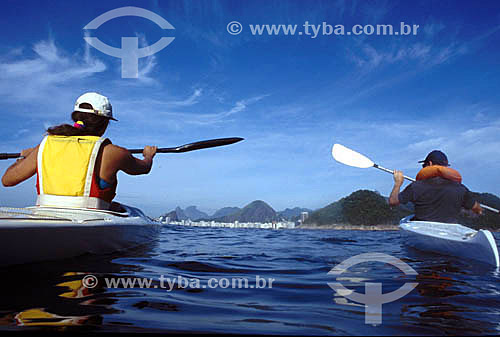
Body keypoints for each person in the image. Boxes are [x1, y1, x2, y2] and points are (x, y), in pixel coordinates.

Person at [1, 92, 157, 211]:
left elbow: (7, 180)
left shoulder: (44, 145)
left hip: (45, 214)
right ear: (104, 124)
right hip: (91, 218)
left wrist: (22, 157)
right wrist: (148, 156)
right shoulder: (114, 153)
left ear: (76, 119)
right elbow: (143, 168)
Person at [388, 150, 482, 223]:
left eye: (424, 165)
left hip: (423, 227)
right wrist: (477, 208)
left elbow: (393, 202)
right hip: (449, 230)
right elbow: (477, 209)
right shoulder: (461, 189)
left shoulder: (416, 186)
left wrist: (398, 183)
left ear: (430, 164)